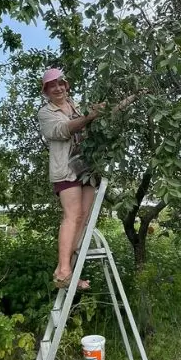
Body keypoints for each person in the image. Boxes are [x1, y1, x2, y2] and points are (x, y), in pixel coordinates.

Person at [37, 68, 135, 289]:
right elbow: (62, 130)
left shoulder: (77, 106)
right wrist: (89, 117)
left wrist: (133, 96)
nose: (58, 88)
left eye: (61, 83)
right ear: (46, 91)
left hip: (88, 168)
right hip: (67, 169)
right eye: (52, 85)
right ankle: (63, 270)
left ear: (66, 85)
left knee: (83, 216)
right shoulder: (46, 113)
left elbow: (105, 115)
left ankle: (67, 271)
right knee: (72, 216)